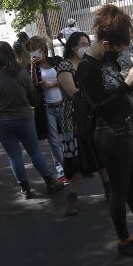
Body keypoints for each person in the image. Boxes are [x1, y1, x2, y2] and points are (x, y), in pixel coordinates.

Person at [76, 4, 133, 258]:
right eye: (121, 46)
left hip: (126, 131)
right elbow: (99, 107)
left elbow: (119, 93)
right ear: (106, 43)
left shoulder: (106, 60)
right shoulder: (87, 67)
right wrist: (125, 85)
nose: (124, 51)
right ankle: (124, 241)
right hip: (110, 135)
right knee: (119, 190)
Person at [0, 42, 65, 198]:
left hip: (2, 122)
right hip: (24, 118)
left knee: (14, 156)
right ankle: (50, 181)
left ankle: (25, 188)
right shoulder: (22, 73)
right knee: (35, 152)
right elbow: (33, 98)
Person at [56, 31, 111, 216]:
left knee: (100, 156)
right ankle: (72, 200)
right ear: (72, 47)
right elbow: (74, 94)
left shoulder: (88, 63)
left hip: (92, 117)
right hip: (73, 120)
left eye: (88, 42)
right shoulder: (65, 66)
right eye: (82, 43)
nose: (86, 46)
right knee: (76, 163)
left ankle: (109, 190)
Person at [27, 35, 65, 177]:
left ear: (41, 48)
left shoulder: (56, 61)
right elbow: (34, 85)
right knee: (54, 142)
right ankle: (62, 171)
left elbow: (67, 80)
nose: (32, 53)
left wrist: (52, 84)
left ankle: (74, 166)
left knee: (68, 137)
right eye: (29, 50)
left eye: (33, 49)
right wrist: (32, 66)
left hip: (63, 104)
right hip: (47, 108)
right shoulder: (33, 67)